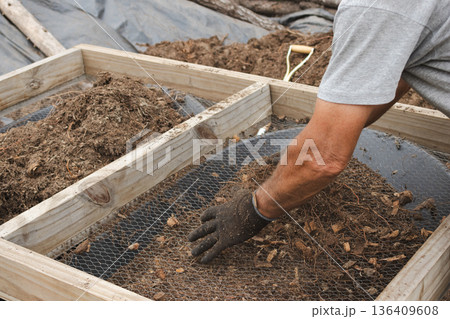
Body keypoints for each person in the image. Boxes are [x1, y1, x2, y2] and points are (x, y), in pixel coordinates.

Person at [188, 0, 450, 263]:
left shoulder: (374, 7)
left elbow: (323, 160)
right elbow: (395, 76)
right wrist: (317, 138)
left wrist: (254, 209)